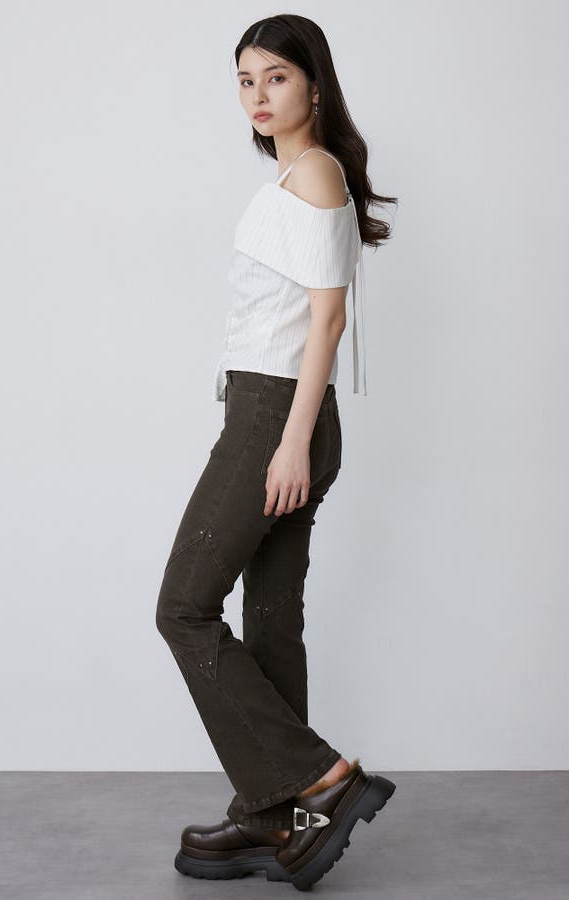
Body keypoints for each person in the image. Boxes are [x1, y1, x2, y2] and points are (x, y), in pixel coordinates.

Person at [155, 14, 398, 891]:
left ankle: (319, 779)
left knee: (183, 608)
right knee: (268, 619)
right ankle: (277, 819)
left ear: (315, 86)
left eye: (277, 78)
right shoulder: (299, 175)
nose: (258, 96)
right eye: (245, 81)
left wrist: (290, 442)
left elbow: (327, 319)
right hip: (280, 412)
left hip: (276, 416)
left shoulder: (316, 172)